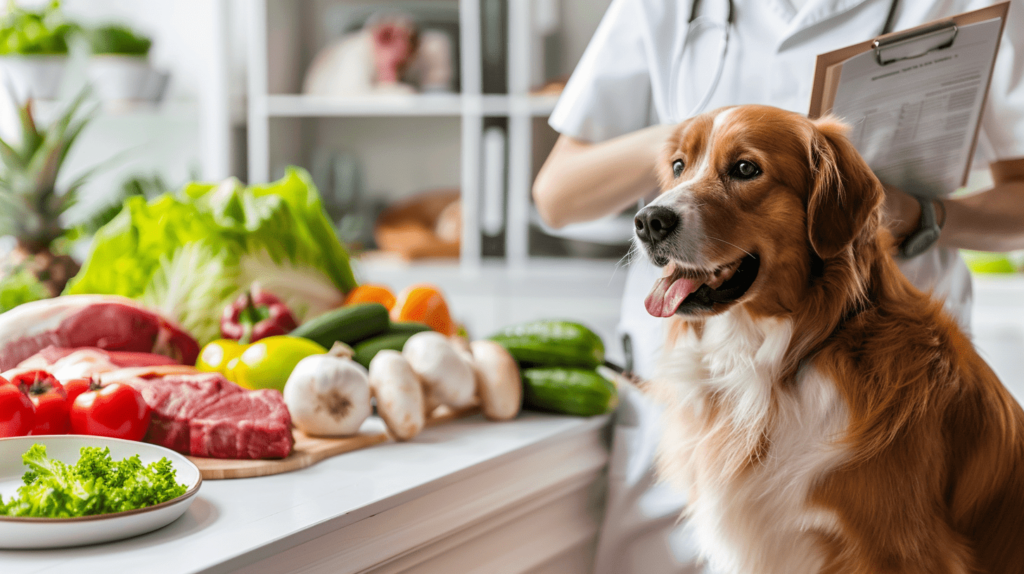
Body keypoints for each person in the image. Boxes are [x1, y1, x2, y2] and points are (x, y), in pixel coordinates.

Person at [532, 0, 1024, 572]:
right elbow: (556, 193)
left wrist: (926, 215)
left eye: (744, 171)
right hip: (697, 385)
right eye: (680, 169)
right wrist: (697, 135)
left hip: (875, 364)